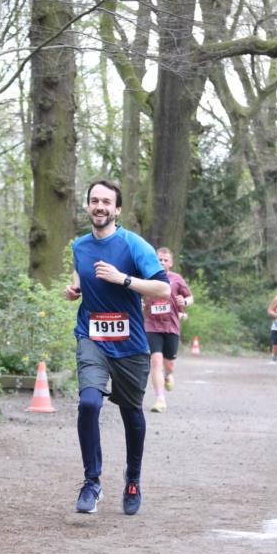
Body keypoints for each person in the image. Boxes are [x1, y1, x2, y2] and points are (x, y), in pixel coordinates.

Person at [64, 181, 169, 516]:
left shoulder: (134, 245)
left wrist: (122, 278)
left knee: (131, 412)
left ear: (117, 209)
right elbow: (80, 272)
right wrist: (75, 289)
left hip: (130, 344)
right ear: (88, 206)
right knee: (89, 403)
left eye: (106, 201)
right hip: (91, 336)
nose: (100, 206)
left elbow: (163, 290)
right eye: (94, 200)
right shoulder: (80, 245)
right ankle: (92, 482)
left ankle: (133, 478)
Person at [144, 247, 193, 413]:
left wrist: (184, 302)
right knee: (155, 361)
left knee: (169, 363)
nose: (162, 262)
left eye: (165, 260)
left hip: (171, 325)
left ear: (170, 263)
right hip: (152, 325)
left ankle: (168, 375)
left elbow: (190, 297)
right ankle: (160, 399)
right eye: (159, 259)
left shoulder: (176, 279)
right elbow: (136, 293)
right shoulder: (147, 277)